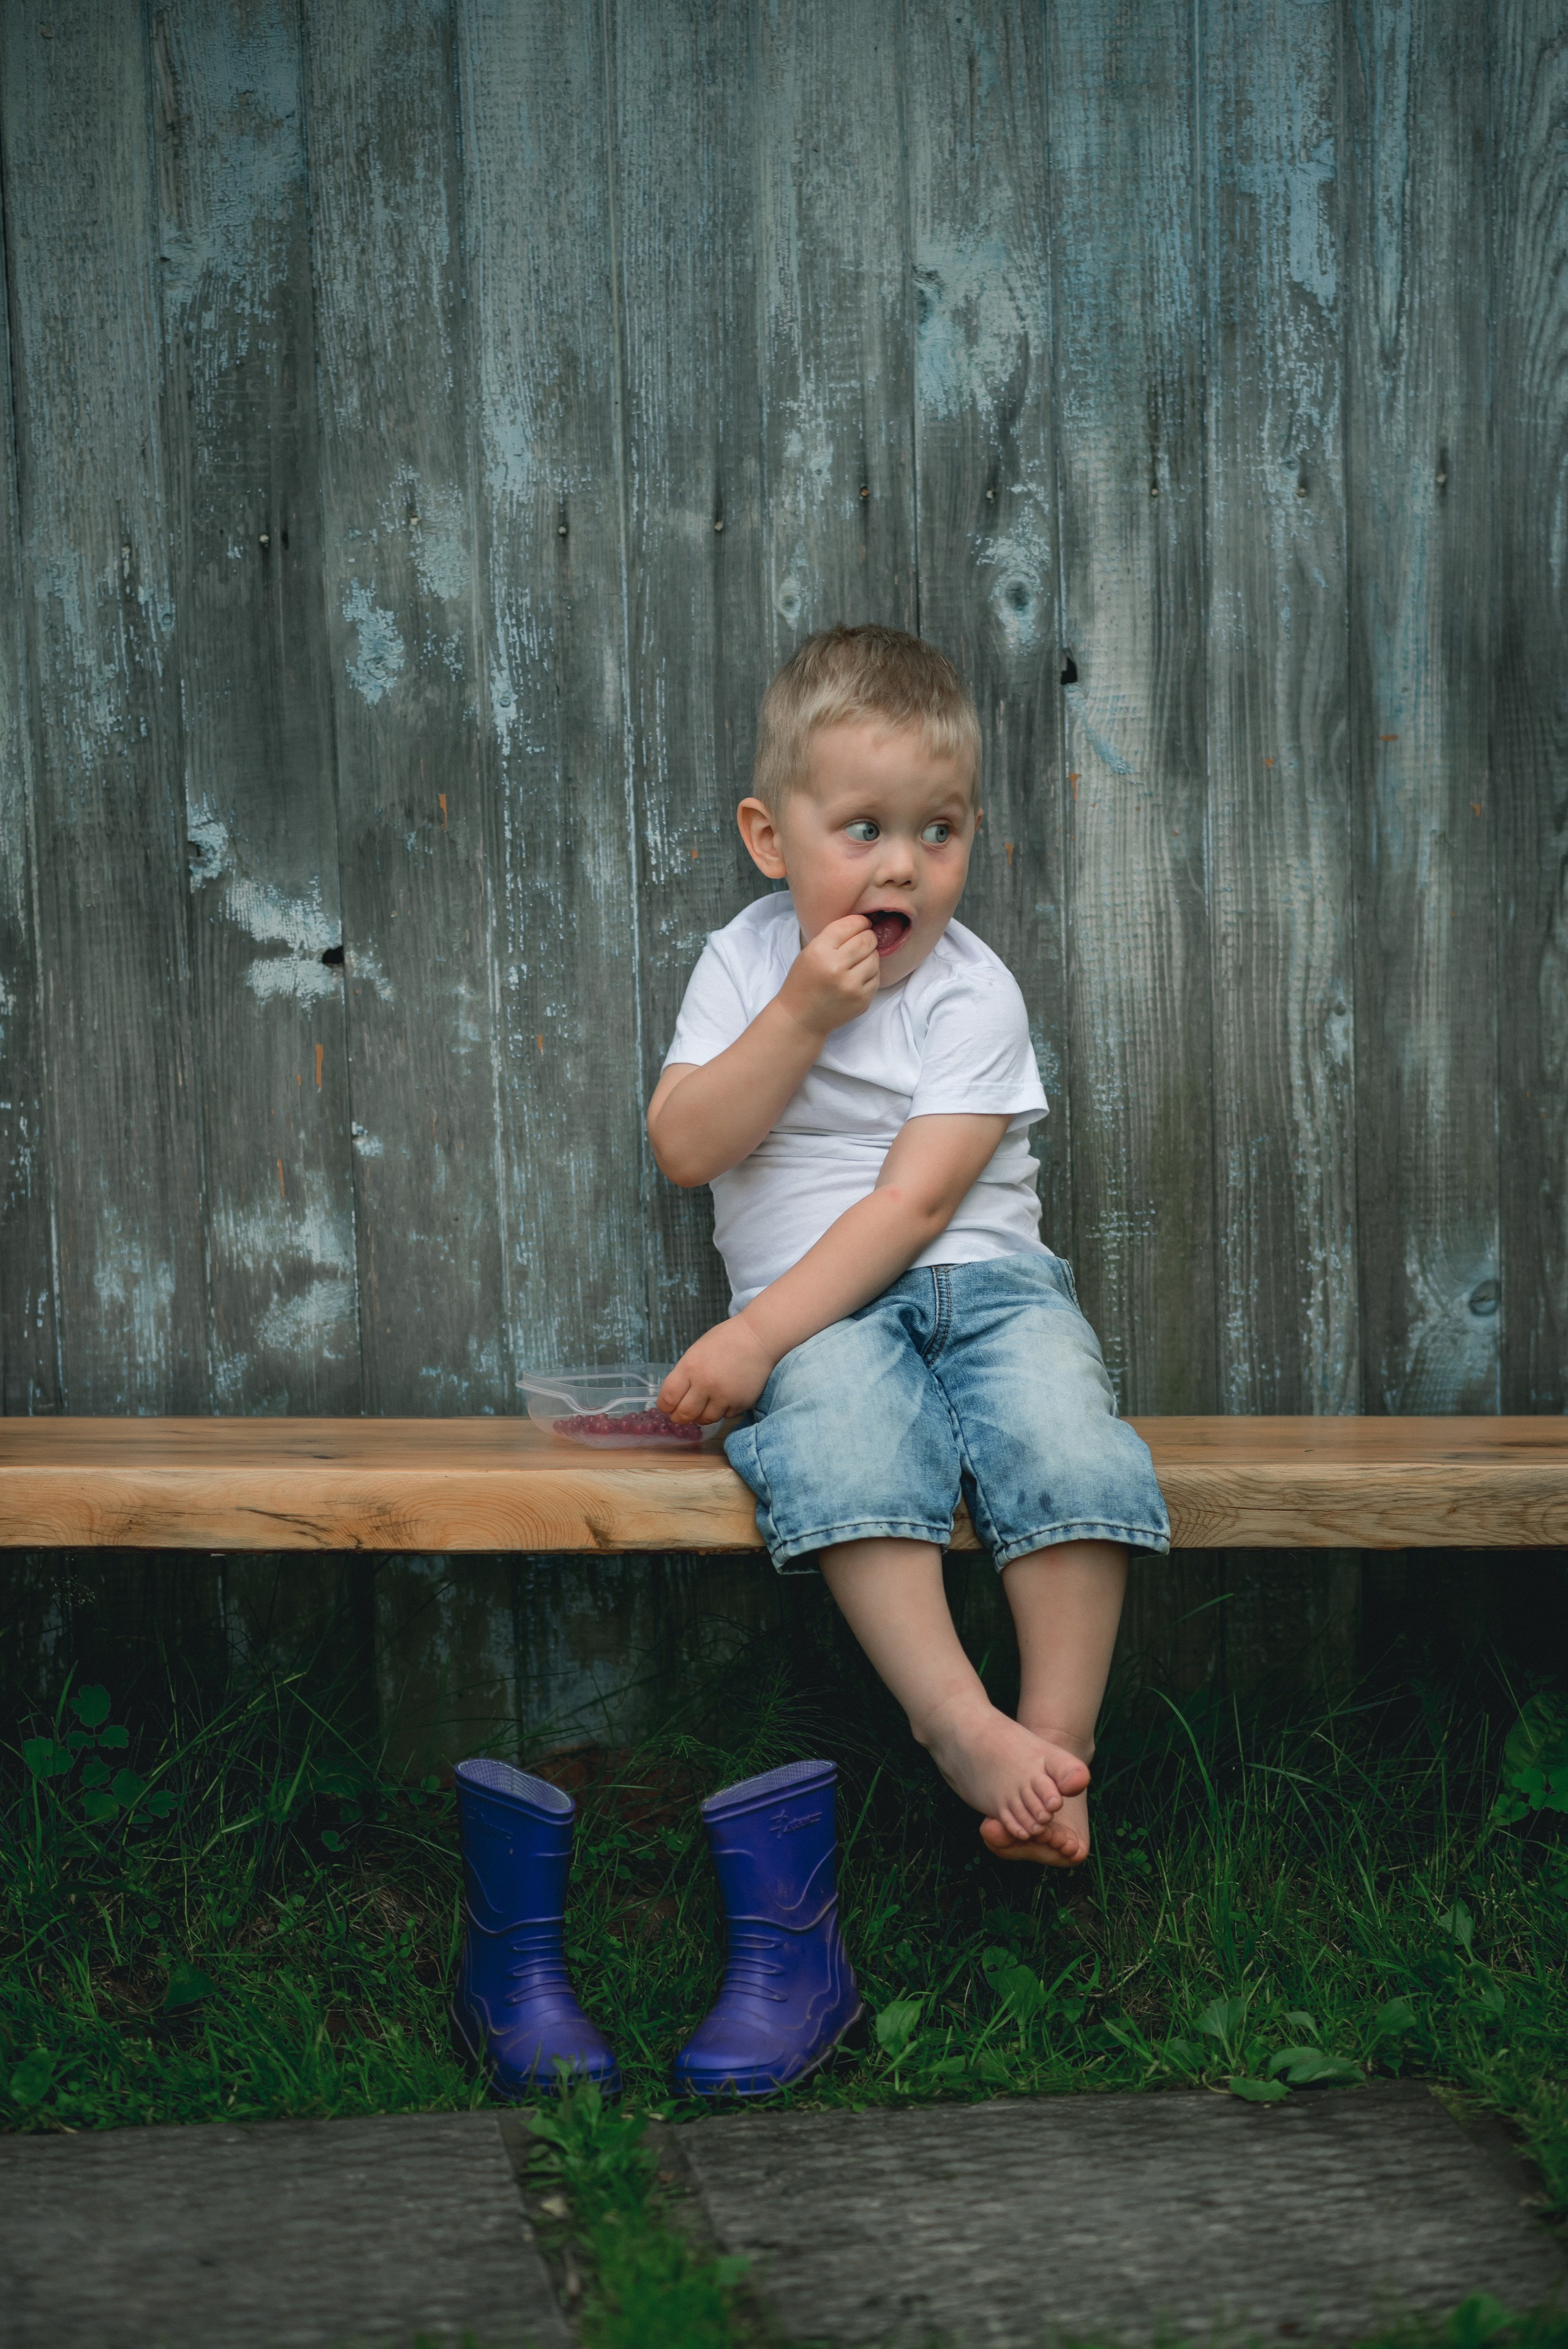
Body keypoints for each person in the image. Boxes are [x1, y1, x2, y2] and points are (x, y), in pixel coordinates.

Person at [649, 625, 1169, 1866]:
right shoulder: (742, 967)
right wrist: (799, 1017)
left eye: (937, 831)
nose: (902, 869)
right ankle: (953, 1724)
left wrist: (750, 1335)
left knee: (1067, 1437)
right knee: (839, 1446)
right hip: (818, 1314)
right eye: (863, 830)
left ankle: (1052, 1748)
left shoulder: (970, 992)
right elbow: (684, 1143)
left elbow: (916, 1205)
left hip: (982, 1285)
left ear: (970, 839)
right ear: (770, 840)